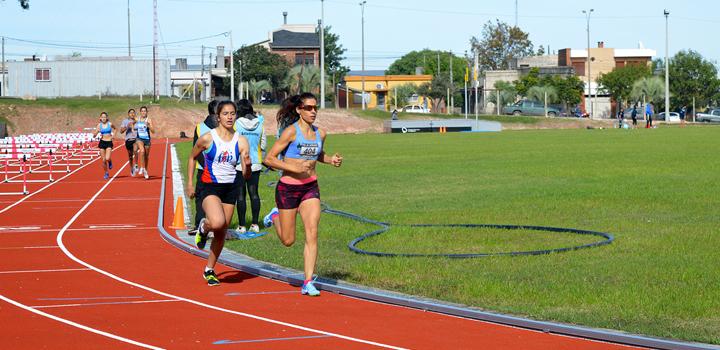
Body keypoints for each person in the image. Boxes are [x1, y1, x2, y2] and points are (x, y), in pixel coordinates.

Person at [262, 93, 343, 297]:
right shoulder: (290, 132)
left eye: (315, 108)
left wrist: (330, 159)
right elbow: (269, 159)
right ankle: (274, 217)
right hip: (288, 189)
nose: (313, 111)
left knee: (312, 232)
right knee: (288, 241)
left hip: (310, 188)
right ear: (299, 110)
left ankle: (307, 281)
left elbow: (317, 154)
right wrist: (294, 169)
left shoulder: (320, 133)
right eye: (308, 108)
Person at [186, 100, 251, 286]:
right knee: (217, 222)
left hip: (231, 187)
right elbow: (192, 158)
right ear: (218, 117)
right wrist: (190, 184)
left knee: (221, 232)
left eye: (232, 113)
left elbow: (245, 175)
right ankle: (204, 227)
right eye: (226, 114)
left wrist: (246, 164)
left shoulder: (241, 140)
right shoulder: (208, 138)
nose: (230, 117)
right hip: (209, 186)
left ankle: (209, 269)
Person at [234, 99, 266, 235]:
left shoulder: (236, 124)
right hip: (256, 164)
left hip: (239, 165)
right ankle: (255, 223)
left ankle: (241, 225)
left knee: (240, 195)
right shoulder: (260, 124)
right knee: (254, 194)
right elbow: (263, 145)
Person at [188, 100, 219, 236]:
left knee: (201, 197)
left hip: (203, 168)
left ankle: (199, 224)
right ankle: (215, 225)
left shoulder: (200, 127)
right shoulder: (225, 127)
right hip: (220, 169)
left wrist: (206, 165)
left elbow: (196, 150)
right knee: (218, 197)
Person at [95, 112, 116, 180]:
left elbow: (115, 129)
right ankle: (106, 173)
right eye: (102, 117)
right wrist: (95, 133)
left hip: (109, 142)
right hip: (102, 142)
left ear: (107, 118)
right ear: (100, 118)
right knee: (103, 160)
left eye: (105, 117)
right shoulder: (99, 125)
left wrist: (113, 136)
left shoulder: (110, 124)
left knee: (107, 158)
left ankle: (109, 161)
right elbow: (95, 133)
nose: (103, 118)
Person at [135, 106, 153, 179]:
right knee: (142, 151)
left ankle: (145, 170)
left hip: (147, 140)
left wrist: (148, 125)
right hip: (139, 139)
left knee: (146, 156)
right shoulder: (137, 119)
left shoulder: (149, 120)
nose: (143, 112)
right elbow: (132, 120)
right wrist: (132, 127)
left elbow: (153, 131)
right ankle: (142, 167)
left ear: (147, 112)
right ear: (140, 112)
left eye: (145, 111)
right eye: (142, 111)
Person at [120, 109, 139, 176]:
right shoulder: (125, 121)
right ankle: (131, 168)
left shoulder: (137, 120)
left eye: (133, 113)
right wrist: (127, 126)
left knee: (135, 150)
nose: (132, 114)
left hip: (136, 139)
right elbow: (121, 131)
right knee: (130, 156)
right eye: (131, 113)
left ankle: (136, 164)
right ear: (128, 114)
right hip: (128, 140)